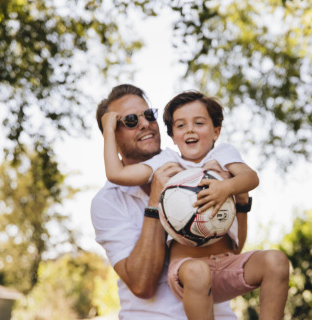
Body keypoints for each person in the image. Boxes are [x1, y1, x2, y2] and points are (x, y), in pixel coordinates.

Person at [101, 89, 290, 320]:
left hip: (223, 265)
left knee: (277, 261)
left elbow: (251, 179)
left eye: (149, 115)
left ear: (216, 131)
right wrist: (109, 130)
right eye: (130, 121)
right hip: (186, 269)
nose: (189, 129)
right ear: (173, 135)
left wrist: (229, 190)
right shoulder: (167, 162)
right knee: (198, 272)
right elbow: (116, 174)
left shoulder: (224, 155)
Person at [91, 84, 240, 319]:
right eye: (130, 120)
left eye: (149, 115)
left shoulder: (197, 171)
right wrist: (155, 201)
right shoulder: (107, 201)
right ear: (112, 136)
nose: (145, 124)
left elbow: (233, 252)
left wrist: (239, 201)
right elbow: (142, 285)